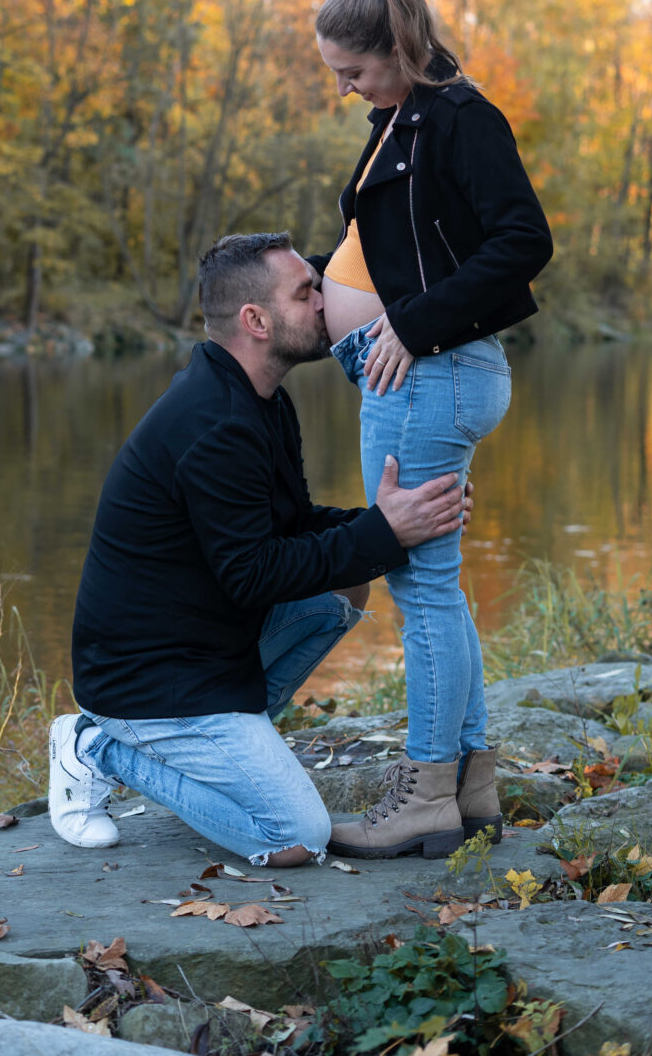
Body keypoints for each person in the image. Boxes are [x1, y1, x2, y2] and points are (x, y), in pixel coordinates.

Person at [49, 232, 474, 868]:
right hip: (146, 682)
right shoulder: (215, 424)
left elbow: (292, 524)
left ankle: (231, 745)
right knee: (297, 838)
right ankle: (95, 748)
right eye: (306, 293)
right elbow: (253, 575)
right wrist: (385, 533)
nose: (326, 302)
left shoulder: (259, 401)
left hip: (205, 650)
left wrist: (398, 518)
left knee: (345, 585)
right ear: (256, 320)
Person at [307, 0, 553, 859]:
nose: (345, 89)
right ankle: (471, 783)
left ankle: (424, 795)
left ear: (398, 46)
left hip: (430, 371)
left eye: (353, 71)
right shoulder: (399, 120)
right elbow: (393, 250)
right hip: (414, 375)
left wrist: (410, 326)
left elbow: (524, 239)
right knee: (432, 587)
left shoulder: (458, 116)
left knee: (421, 593)